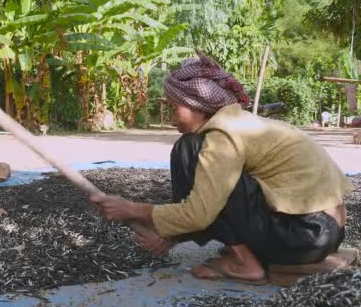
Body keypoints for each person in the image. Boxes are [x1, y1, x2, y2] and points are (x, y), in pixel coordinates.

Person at [91, 55, 352, 284]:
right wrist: (171, 236)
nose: (171, 118)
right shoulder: (240, 123)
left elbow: (200, 213)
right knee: (206, 170)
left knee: (188, 150)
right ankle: (244, 253)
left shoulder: (223, 136)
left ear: (195, 105)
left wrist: (132, 209)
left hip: (303, 236)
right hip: (324, 233)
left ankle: (245, 265)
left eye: (174, 108)